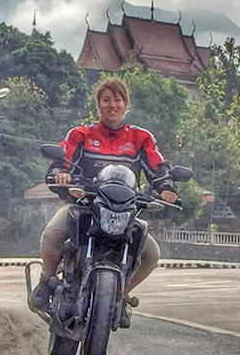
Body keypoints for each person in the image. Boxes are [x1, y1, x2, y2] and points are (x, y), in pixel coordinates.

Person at [30, 77, 178, 328]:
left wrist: (166, 187)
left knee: (151, 255)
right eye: (106, 100)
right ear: (98, 105)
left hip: (126, 213)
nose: (112, 105)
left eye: (117, 99)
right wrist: (61, 173)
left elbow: (158, 167)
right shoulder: (81, 134)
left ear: (126, 104)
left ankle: (120, 295)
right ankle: (46, 281)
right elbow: (62, 160)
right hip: (85, 206)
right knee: (52, 234)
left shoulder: (141, 138)